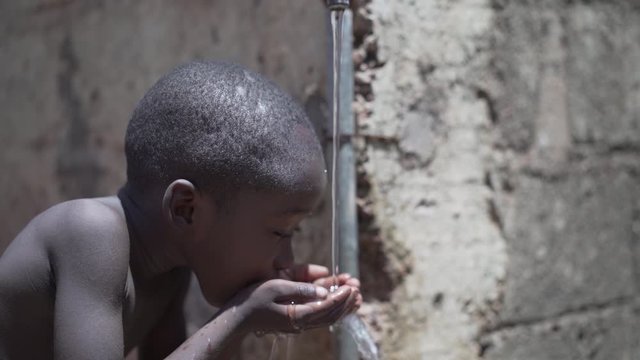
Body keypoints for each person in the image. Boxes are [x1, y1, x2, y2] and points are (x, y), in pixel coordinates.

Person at [0, 61, 362, 359]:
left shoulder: (169, 267)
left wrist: (255, 308)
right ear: (186, 209)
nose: (287, 256)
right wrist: (241, 315)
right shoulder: (89, 233)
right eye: (280, 233)